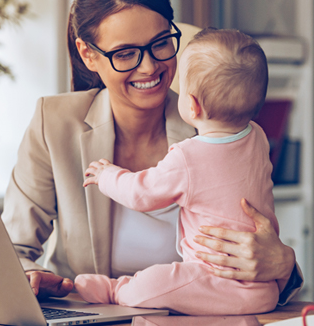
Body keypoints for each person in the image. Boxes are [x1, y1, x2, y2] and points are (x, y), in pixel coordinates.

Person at [1, 0, 301, 305]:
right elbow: (11, 248)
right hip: (88, 314)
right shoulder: (53, 123)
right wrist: (31, 277)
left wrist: (284, 263)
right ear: (89, 55)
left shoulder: (218, 127)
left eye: (160, 43)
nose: (149, 67)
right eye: (126, 53)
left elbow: (260, 238)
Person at [75, 28, 280, 315]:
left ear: (192, 105)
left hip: (212, 278)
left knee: (157, 280)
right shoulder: (257, 137)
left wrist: (106, 175)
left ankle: (116, 289)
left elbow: (141, 193)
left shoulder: (188, 156)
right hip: (263, 290)